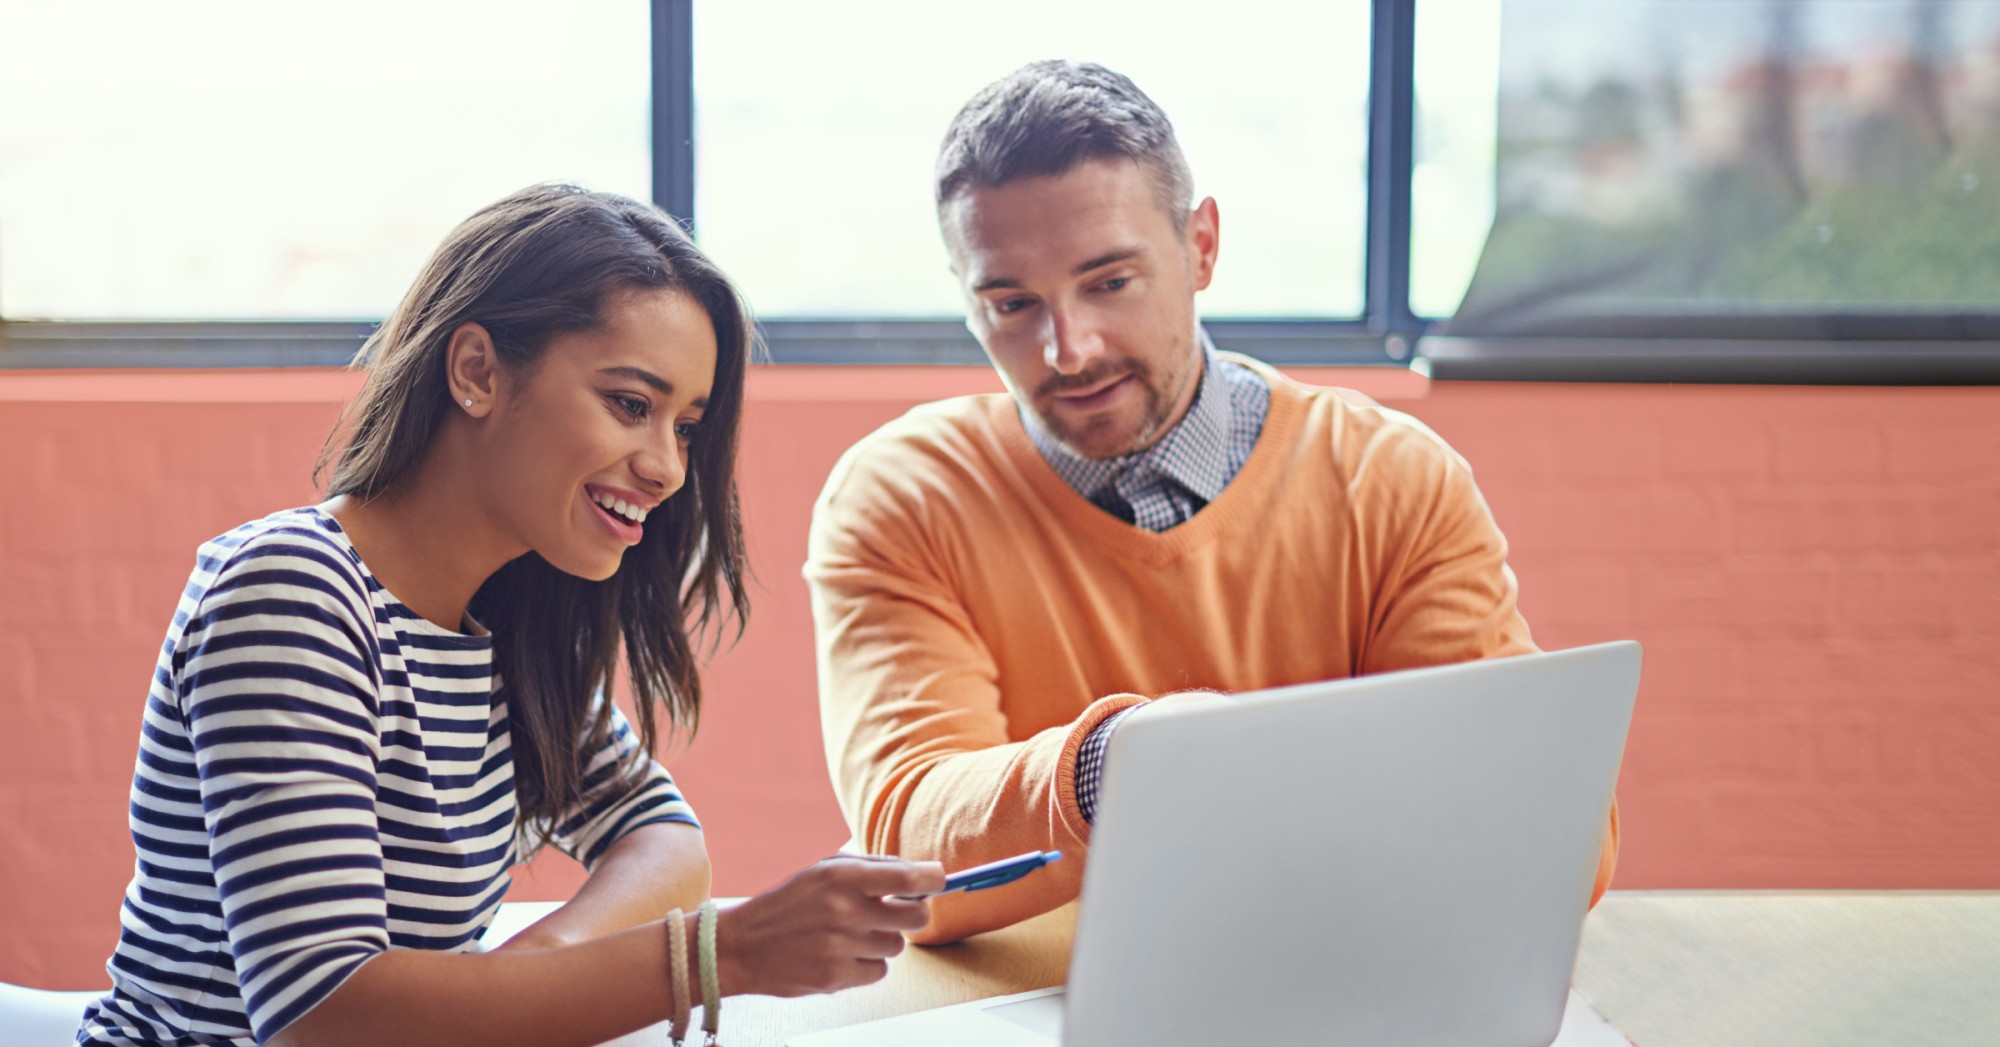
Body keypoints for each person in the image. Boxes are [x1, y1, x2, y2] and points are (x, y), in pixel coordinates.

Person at [79, 184, 945, 1047]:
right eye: (631, 405)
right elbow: (325, 1018)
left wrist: (533, 969)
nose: (667, 469)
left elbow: (665, 838)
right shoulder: (294, 591)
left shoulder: (499, 625)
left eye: (685, 426)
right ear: (477, 372)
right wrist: (721, 957)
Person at [805, 61, 1619, 945]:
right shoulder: (903, 496)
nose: (1068, 349)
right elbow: (903, 862)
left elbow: (1542, 842)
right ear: (968, 303)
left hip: (1333, 984)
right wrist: (1116, 767)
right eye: (1011, 303)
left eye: (1110, 282)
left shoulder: (1390, 480)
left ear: (1201, 248)